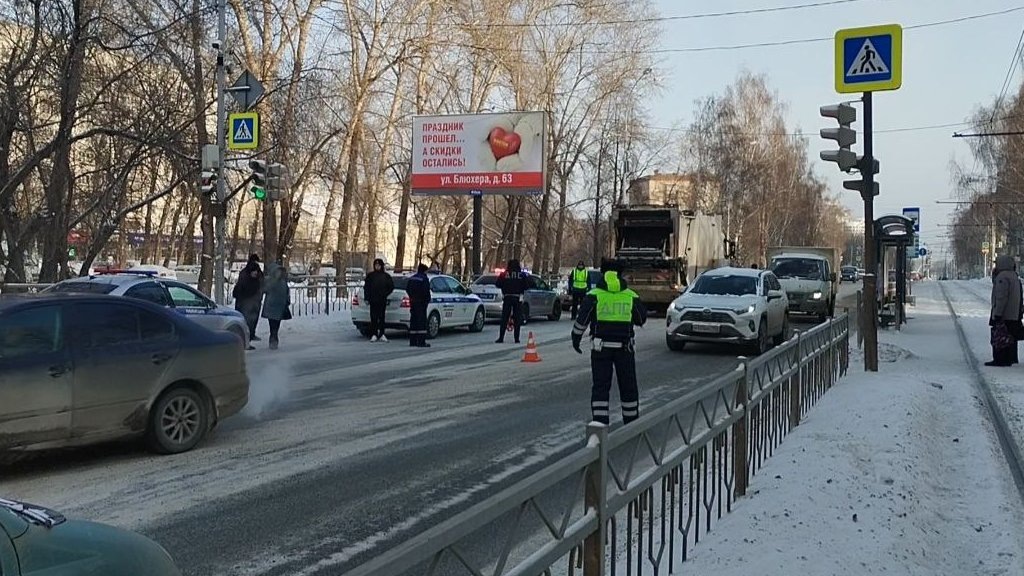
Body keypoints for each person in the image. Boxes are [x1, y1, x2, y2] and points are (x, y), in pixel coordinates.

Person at [571, 259, 647, 425]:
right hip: (625, 349)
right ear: (620, 275)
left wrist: (575, 339)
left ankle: (599, 424)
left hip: (600, 349)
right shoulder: (631, 296)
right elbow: (641, 319)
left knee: (600, 387)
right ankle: (631, 423)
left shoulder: (594, 296)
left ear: (602, 274)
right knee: (628, 387)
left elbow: (581, 322)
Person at [988, 255, 1022, 367]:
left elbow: (1001, 297)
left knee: (1001, 335)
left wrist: (998, 313)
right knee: (1011, 337)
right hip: (1014, 314)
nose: (995, 266)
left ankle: (1000, 359)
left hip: (1005, 314)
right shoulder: (1014, 276)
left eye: (996, 264)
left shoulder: (1002, 277)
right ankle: (1011, 358)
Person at [495, 259, 534, 344]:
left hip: (507, 297)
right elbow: (527, 285)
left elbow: (497, 284)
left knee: (504, 318)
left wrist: (505, 287)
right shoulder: (521, 275)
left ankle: (501, 337)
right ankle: (516, 338)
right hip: (517, 298)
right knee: (517, 318)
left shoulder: (504, 274)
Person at [232, 253, 264, 349]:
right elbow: (248, 288)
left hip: (246, 301)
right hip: (247, 302)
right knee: (248, 321)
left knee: (249, 321)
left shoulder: (247, 272)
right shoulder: (249, 274)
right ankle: (246, 341)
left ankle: (248, 338)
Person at [261, 260, 291, 350]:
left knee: (275, 325)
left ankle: (273, 339)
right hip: (273, 306)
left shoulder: (280, 281)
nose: (278, 273)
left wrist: (287, 301)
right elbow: (264, 290)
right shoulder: (271, 281)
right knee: (273, 325)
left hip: (277, 307)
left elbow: (287, 293)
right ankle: (273, 339)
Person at [364, 258, 394, 342]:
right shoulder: (370, 276)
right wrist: (367, 298)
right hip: (373, 300)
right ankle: (374, 334)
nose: (377, 267)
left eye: (379, 265)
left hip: (382, 300)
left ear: (381, 266)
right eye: (376, 265)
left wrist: (385, 294)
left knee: (381, 317)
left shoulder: (386, 276)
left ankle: (382, 333)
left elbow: (391, 287)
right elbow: (366, 288)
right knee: (373, 318)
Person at [406, 263, 431, 348]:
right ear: (424, 270)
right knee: (421, 322)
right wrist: (426, 300)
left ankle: (412, 341)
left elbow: (408, 289)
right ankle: (421, 342)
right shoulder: (424, 279)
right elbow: (426, 291)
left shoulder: (412, 278)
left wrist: (412, 297)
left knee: (413, 321)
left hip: (413, 302)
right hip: (421, 303)